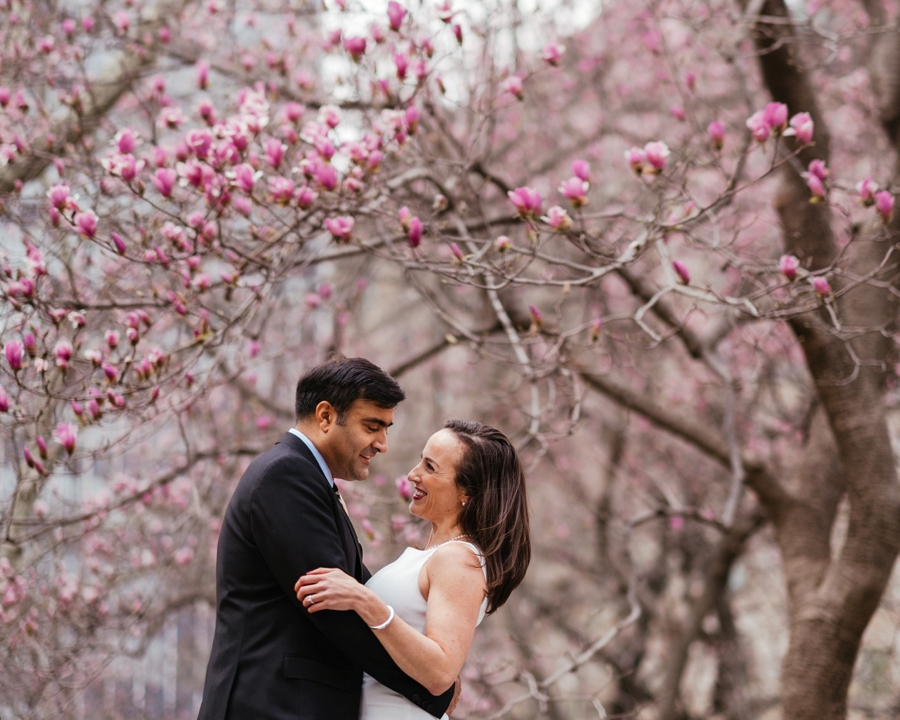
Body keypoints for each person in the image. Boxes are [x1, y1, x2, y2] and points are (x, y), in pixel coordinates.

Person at [197, 356, 456, 720]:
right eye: (372, 426)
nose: (382, 444)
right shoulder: (286, 475)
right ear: (325, 416)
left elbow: (358, 591)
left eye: (386, 429)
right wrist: (431, 686)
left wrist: (425, 657)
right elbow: (333, 608)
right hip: (270, 706)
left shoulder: (308, 480)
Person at [295, 419, 531, 720]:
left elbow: (440, 672)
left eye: (430, 467)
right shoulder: (433, 555)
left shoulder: (458, 560)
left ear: (466, 492)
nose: (412, 474)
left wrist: (365, 601)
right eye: (421, 460)